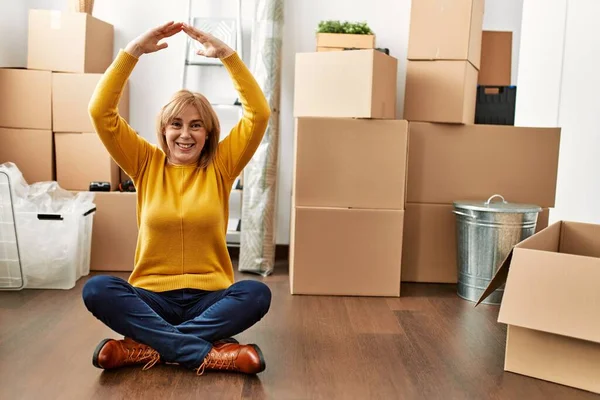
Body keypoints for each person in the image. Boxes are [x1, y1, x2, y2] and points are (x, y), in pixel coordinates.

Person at [82, 21, 272, 376]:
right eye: (177, 124)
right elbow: (100, 112)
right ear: (164, 129)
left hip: (210, 299)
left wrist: (228, 56)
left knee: (256, 294)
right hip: (151, 300)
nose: (185, 134)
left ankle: (144, 347)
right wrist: (133, 51)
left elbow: (258, 114)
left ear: (208, 132)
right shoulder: (144, 163)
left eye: (196, 125)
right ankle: (209, 352)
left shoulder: (221, 166)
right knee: (97, 288)